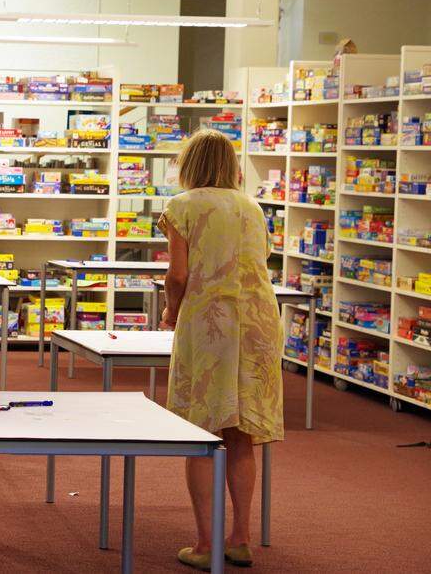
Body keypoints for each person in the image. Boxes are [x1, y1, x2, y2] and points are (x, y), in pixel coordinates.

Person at [157, 129, 282, 570]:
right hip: (259, 321)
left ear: (189, 163)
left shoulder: (182, 205)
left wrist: (171, 312)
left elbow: (177, 275)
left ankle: (205, 543)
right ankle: (241, 537)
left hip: (212, 322)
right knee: (241, 431)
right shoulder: (253, 206)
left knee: (201, 429)